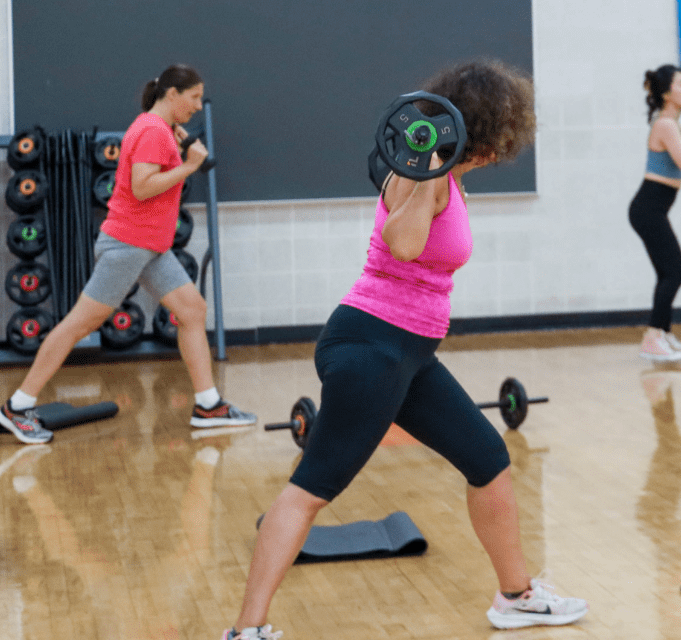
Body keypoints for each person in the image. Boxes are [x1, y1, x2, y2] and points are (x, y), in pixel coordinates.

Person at [222, 60, 586, 640]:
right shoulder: (422, 176)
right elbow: (405, 243)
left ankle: (516, 596)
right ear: (482, 132)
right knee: (310, 490)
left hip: (407, 354)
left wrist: (442, 170)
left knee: (488, 460)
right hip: (371, 348)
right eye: (497, 140)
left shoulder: (446, 175)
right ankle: (247, 630)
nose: (499, 153)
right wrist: (430, 174)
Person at [0, 64, 254, 444]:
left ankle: (208, 406)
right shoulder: (150, 130)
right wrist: (190, 166)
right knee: (78, 325)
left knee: (192, 310)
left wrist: (177, 148)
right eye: (194, 97)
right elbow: (143, 187)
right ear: (172, 95)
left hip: (150, 247)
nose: (198, 105)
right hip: (129, 246)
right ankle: (16, 407)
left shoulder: (158, 129)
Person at [633, 64, 681, 361]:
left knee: (669, 273)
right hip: (648, 209)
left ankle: (662, 334)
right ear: (667, 93)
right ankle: (652, 336)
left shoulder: (671, 124)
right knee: (676, 272)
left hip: (653, 209)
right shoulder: (665, 124)